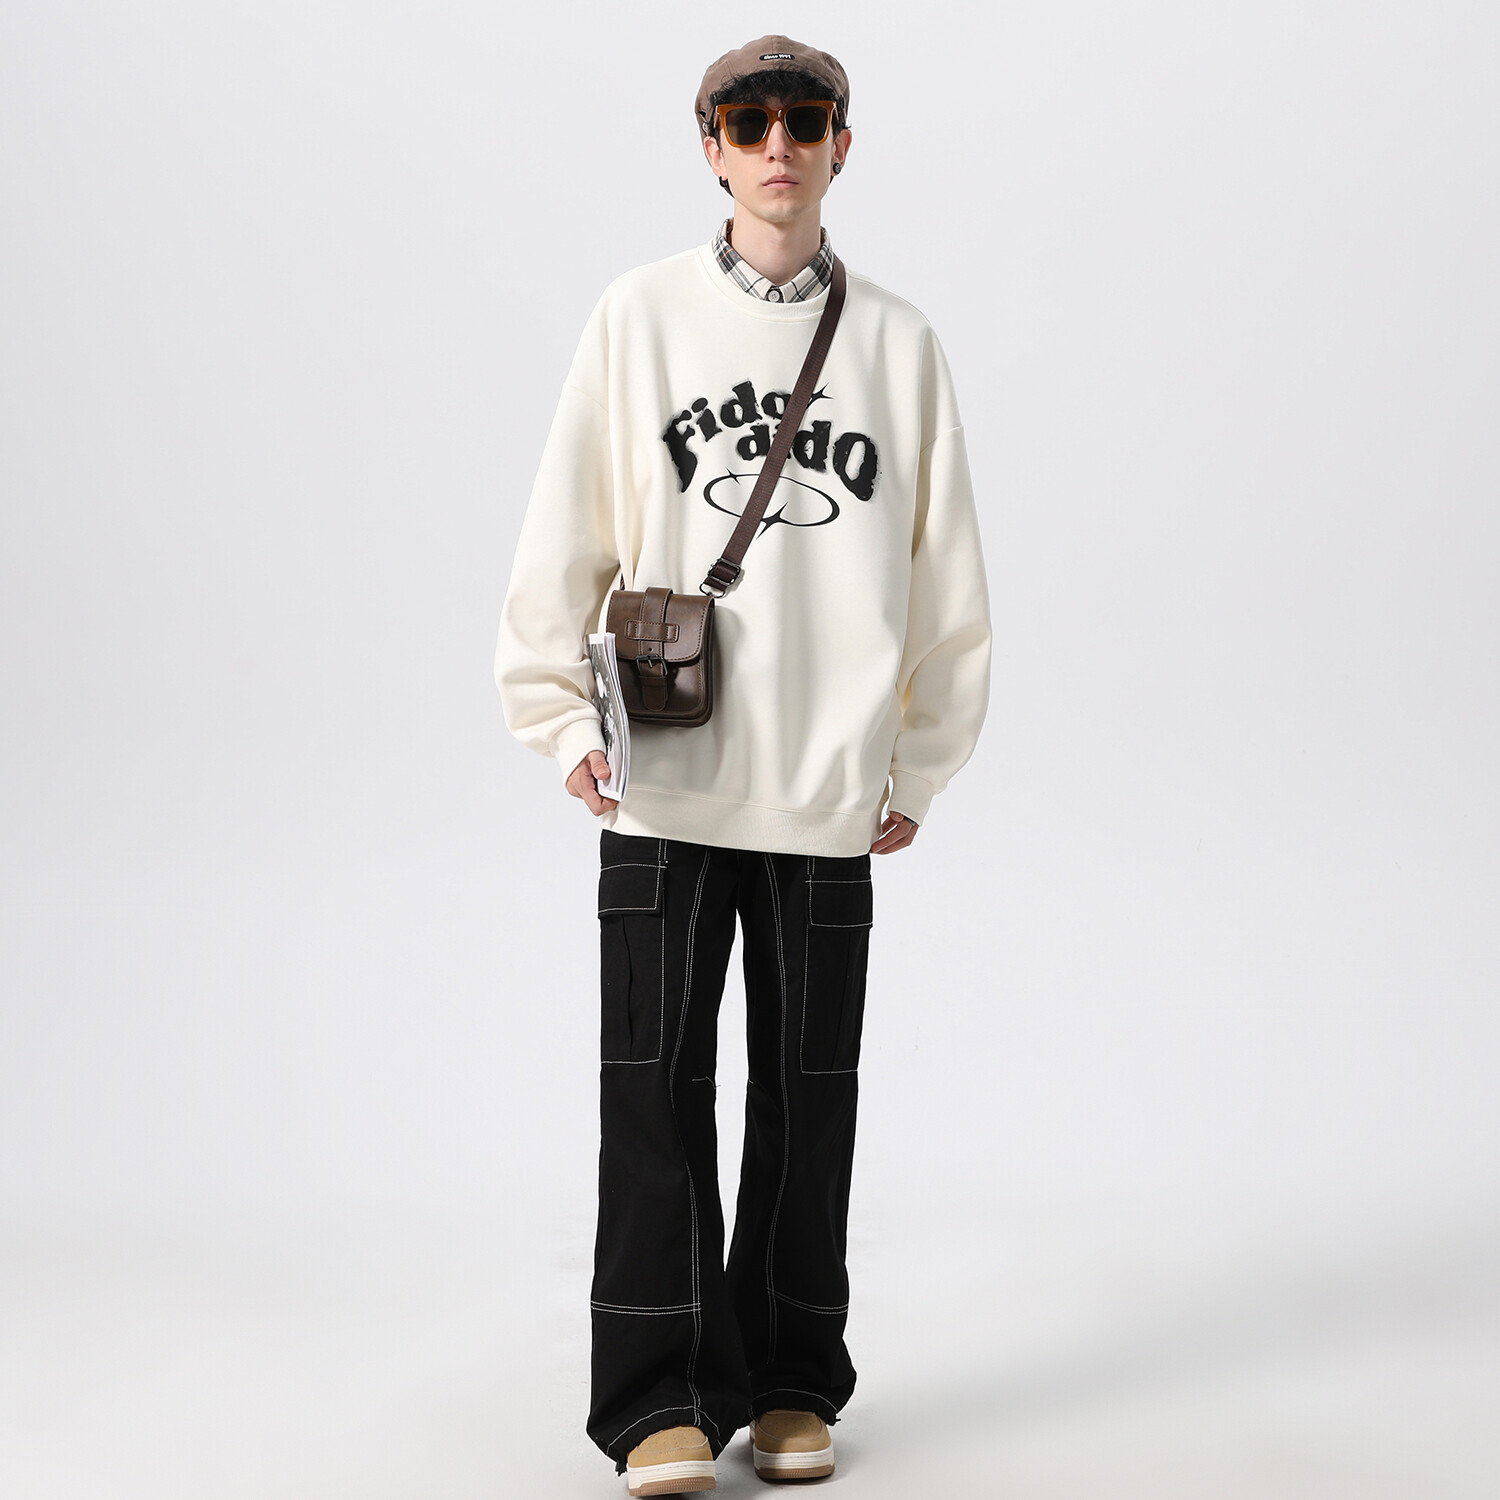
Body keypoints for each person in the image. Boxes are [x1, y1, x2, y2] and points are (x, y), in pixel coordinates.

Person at [494, 33, 992, 1495]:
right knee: (652, 1095)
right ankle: (655, 1398)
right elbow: (565, 527)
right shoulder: (638, 316)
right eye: (750, 119)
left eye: (806, 118)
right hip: (666, 774)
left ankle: (787, 1379)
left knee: (806, 1095)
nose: (780, 143)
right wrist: (560, 718)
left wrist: (919, 761)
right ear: (710, 144)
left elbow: (947, 575)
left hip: (828, 786)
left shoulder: (897, 344)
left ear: (843, 143)